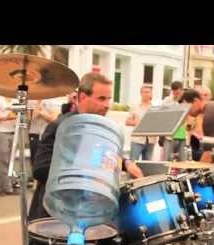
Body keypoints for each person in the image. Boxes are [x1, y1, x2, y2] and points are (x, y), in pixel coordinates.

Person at [29, 72, 143, 221]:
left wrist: (126, 163)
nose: (107, 105)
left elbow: (106, 154)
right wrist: (84, 171)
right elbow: (39, 169)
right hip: (56, 213)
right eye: (101, 98)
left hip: (87, 210)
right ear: (82, 97)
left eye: (109, 99)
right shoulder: (61, 127)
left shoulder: (101, 128)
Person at [126, 85, 156, 161]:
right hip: (137, 140)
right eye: (144, 92)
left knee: (147, 166)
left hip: (151, 140)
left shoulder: (155, 108)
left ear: (151, 94)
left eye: (148, 92)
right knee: (133, 162)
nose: (146, 94)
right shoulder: (135, 106)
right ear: (141, 94)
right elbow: (127, 122)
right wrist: (137, 122)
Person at [162, 81, 187, 161]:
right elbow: (162, 112)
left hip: (183, 135)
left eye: (178, 93)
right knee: (167, 159)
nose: (176, 95)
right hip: (170, 135)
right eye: (174, 93)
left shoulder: (186, 100)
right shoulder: (167, 100)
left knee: (182, 160)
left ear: (182, 91)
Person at [30, 99, 56, 169]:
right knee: (34, 160)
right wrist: (38, 103)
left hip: (48, 135)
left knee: (47, 160)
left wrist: (42, 113)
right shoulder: (32, 101)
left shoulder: (52, 101)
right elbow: (31, 118)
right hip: (35, 134)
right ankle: (35, 179)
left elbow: (54, 119)